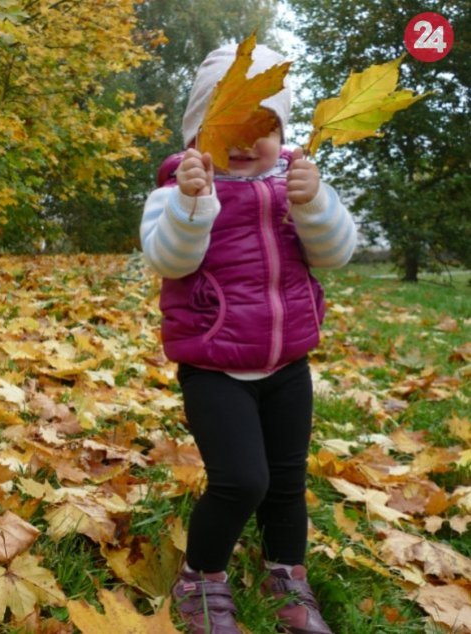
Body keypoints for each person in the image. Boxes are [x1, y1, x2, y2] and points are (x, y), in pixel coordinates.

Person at [139, 43, 356, 634]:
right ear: (197, 133)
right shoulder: (178, 188)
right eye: (223, 124)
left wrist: (314, 207)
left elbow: (335, 255)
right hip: (214, 363)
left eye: (259, 126)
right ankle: (202, 578)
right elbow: (169, 260)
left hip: (288, 363)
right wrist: (192, 204)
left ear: (281, 131)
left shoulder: (299, 182)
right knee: (243, 480)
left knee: (286, 484)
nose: (242, 141)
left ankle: (287, 573)